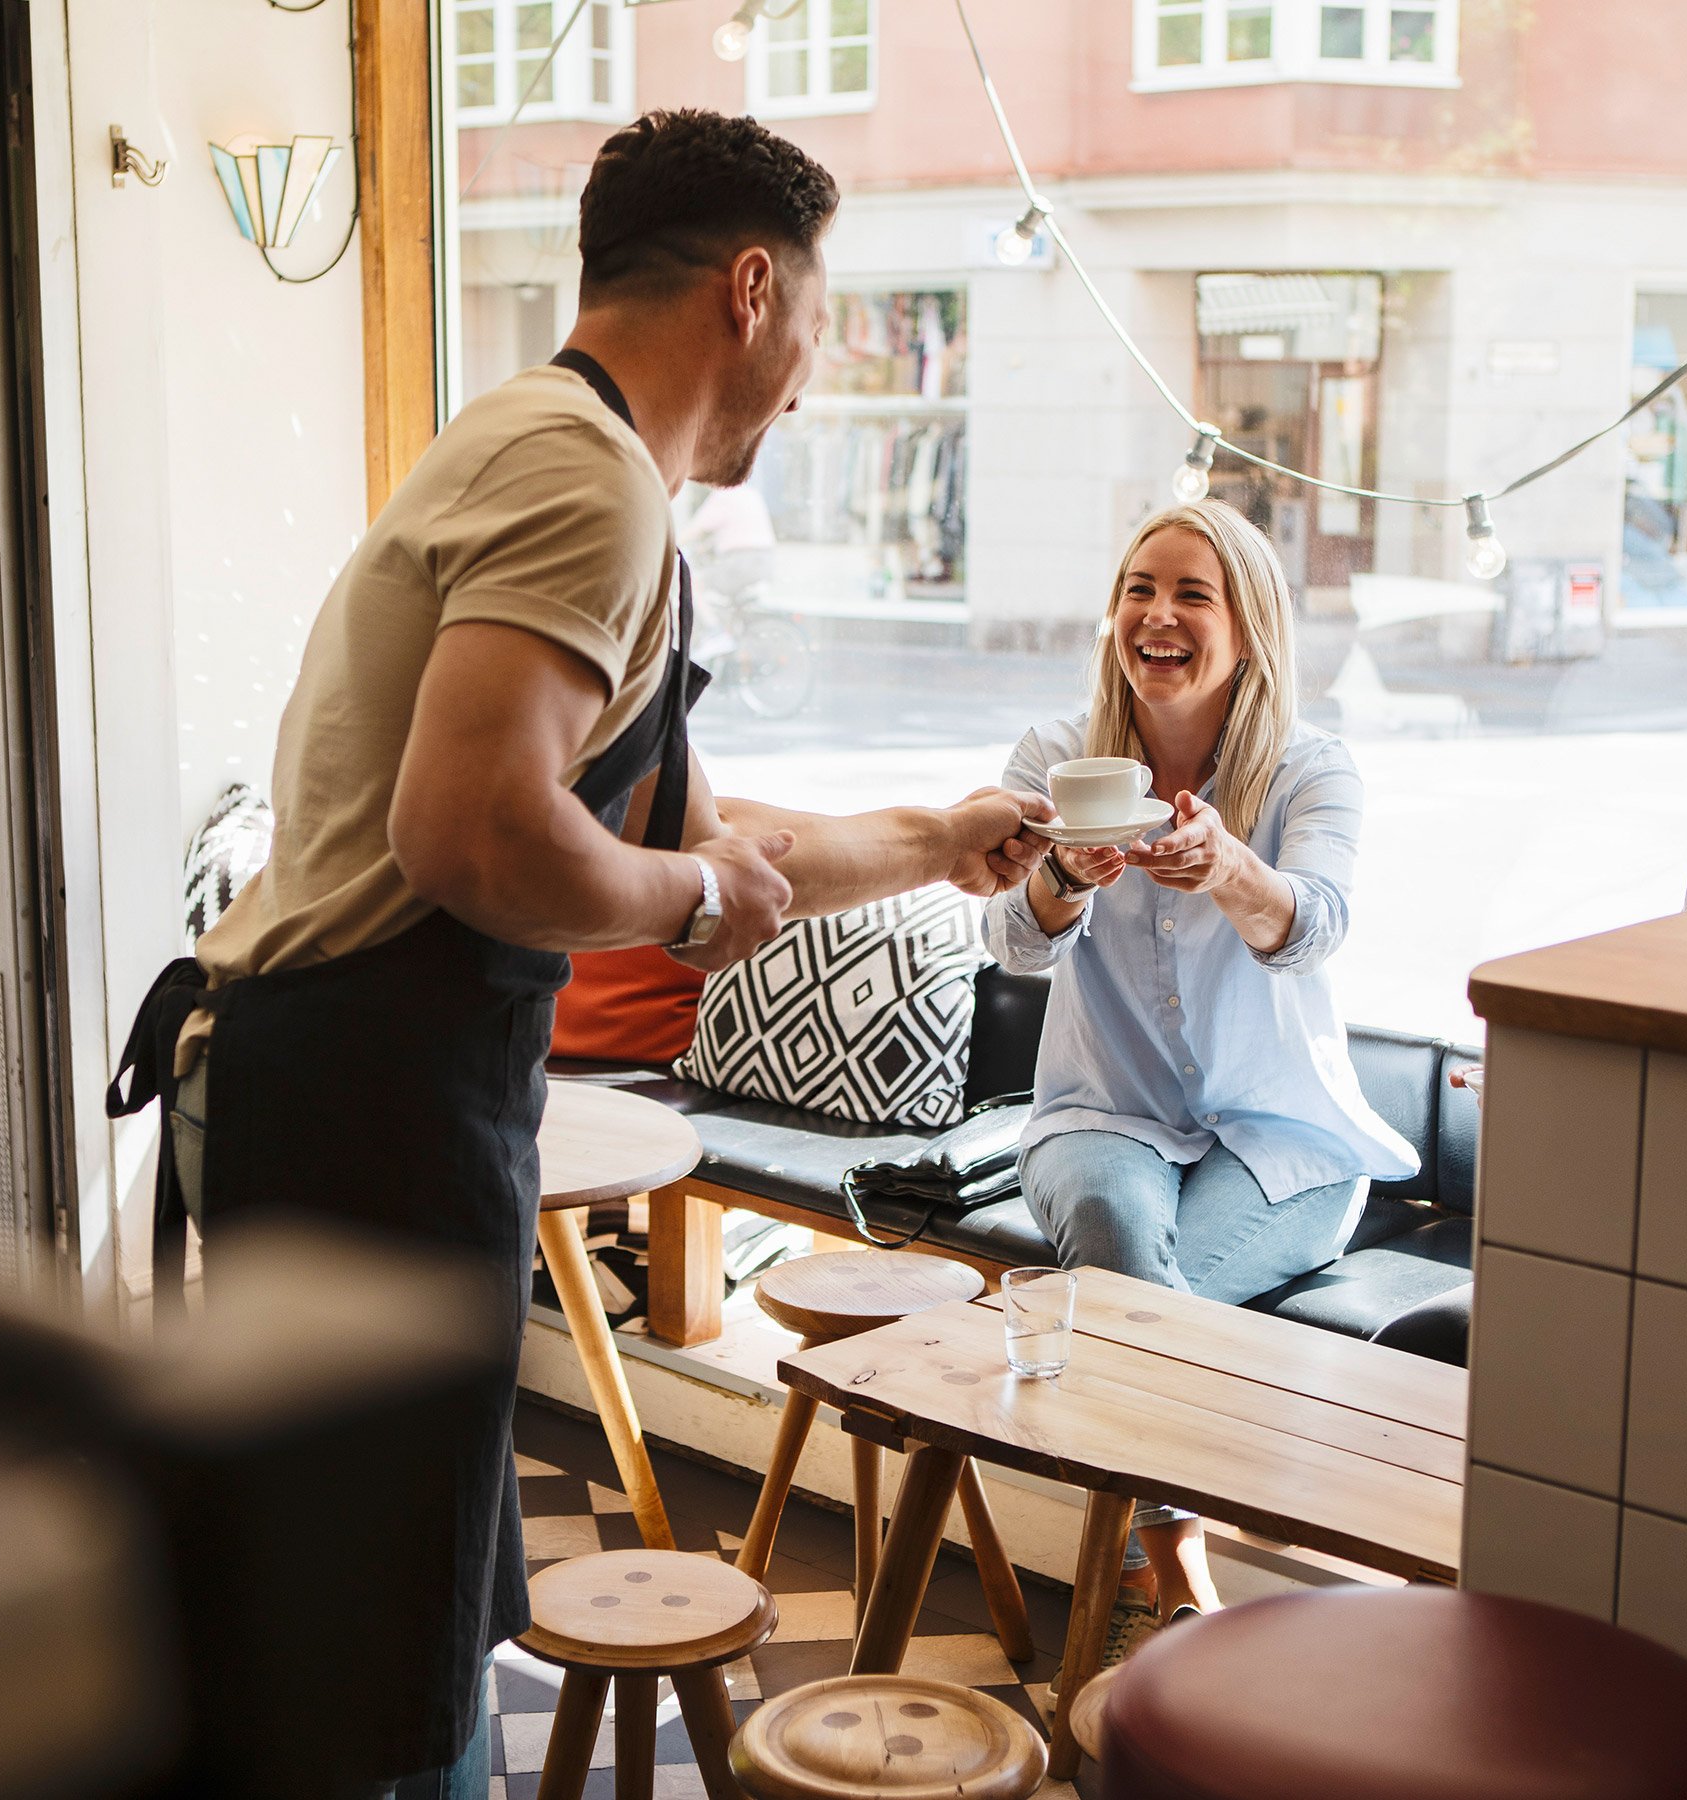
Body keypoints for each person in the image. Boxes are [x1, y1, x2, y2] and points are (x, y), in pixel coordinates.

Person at [114, 111, 1048, 1799]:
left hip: (380, 1096)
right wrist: (686, 907)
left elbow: (686, 826)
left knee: (411, 1602)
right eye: (823, 325)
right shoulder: (584, 483)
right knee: (359, 1640)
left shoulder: (569, 460)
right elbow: (471, 834)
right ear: (752, 290)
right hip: (355, 1107)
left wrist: (929, 836)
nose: (815, 374)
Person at [984, 499, 1415, 1667]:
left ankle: (1128, 1564)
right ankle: (1172, 1559)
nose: (1157, 616)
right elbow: (1012, 946)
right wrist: (1066, 878)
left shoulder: (1311, 769)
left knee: (1131, 1312)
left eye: (1191, 594)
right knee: (1120, 1224)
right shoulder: (1054, 759)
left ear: (1250, 625)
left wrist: (1230, 866)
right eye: (1138, 588)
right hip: (1099, 1115)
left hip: (1285, 1141)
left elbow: (1315, 926)